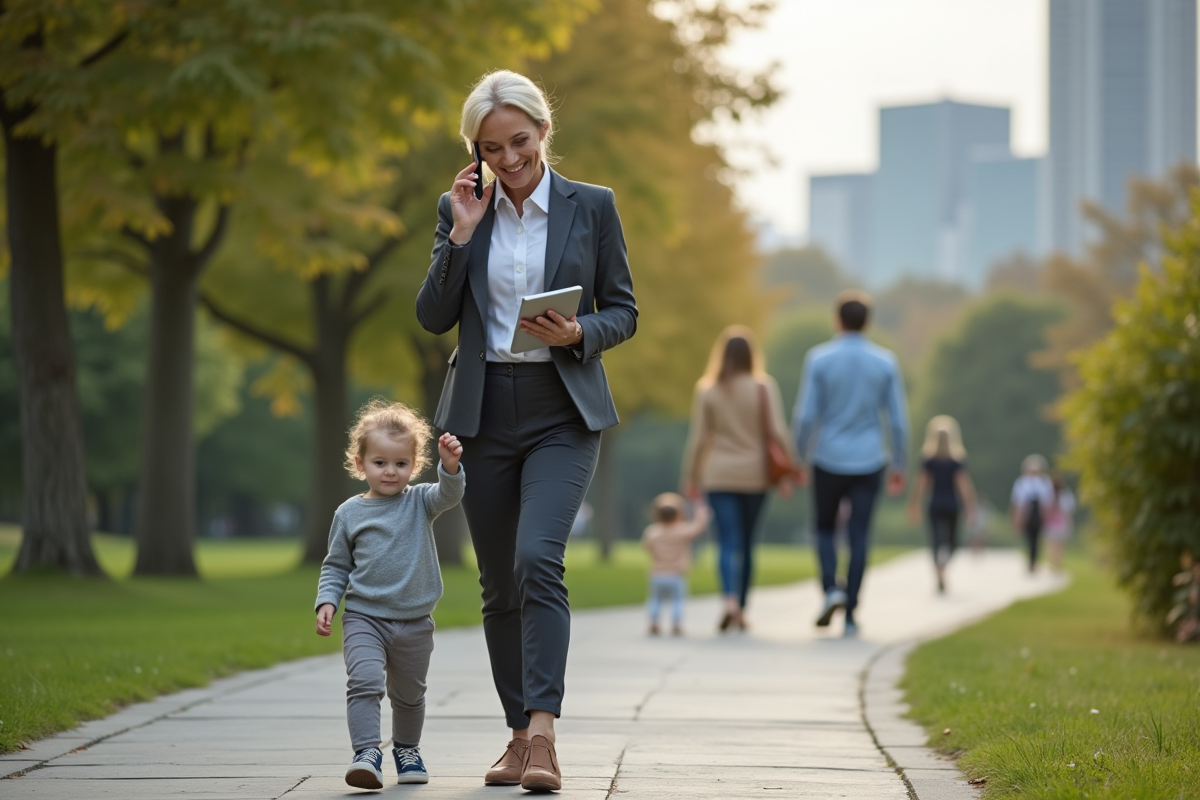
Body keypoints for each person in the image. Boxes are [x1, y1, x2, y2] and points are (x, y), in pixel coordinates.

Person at [414, 70, 637, 792]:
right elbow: (433, 315)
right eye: (491, 148)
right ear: (474, 150)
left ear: (544, 130)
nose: (509, 160)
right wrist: (461, 233)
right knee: (498, 583)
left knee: (538, 558)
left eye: (519, 141)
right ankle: (515, 738)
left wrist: (579, 331)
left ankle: (543, 736)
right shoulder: (461, 209)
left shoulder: (591, 207)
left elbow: (625, 310)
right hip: (482, 411)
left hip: (560, 409)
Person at [313, 399, 465, 790]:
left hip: (415, 621)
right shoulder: (349, 513)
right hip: (365, 617)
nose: (390, 471)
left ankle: (407, 750)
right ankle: (366, 753)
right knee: (364, 682)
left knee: (410, 695)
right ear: (360, 463)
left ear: (413, 466)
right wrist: (327, 601)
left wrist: (450, 468)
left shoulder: (419, 501)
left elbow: (449, 496)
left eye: (400, 464)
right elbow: (335, 566)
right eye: (380, 462)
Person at [793, 291, 909, 638]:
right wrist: (900, 462)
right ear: (868, 322)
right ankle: (852, 611)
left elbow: (806, 414)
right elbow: (899, 420)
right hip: (869, 458)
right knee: (859, 534)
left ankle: (832, 589)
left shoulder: (819, 359)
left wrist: (798, 456)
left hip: (828, 456)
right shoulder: (885, 362)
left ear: (838, 320)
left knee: (825, 528)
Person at [681, 325, 796, 633]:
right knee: (747, 543)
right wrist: (792, 469)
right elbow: (778, 431)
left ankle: (729, 600)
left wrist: (690, 478)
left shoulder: (708, 389)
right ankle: (742, 606)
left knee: (727, 542)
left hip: (718, 475)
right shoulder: (763, 386)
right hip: (755, 476)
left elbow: (699, 439)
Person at [906, 415, 977, 594]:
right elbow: (963, 486)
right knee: (952, 543)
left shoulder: (930, 460)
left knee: (937, 541)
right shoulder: (956, 461)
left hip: (935, 504)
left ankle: (939, 572)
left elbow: (921, 484)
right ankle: (942, 569)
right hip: (952, 505)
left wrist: (914, 504)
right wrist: (970, 507)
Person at [641, 493, 712, 636]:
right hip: (676, 574)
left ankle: (654, 622)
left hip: (657, 574)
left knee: (655, 599)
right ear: (678, 515)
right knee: (678, 600)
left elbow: (646, 547)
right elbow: (697, 528)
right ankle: (676, 624)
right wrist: (702, 514)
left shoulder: (653, 531)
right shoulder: (681, 530)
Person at [1010, 454, 1055, 573]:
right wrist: (1017, 519)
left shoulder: (1044, 483)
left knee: (1037, 539)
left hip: (1039, 514)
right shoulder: (1022, 483)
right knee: (1029, 539)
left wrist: (1046, 516)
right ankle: (1031, 560)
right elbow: (1018, 503)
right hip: (1027, 514)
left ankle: (1034, 561)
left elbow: (1047, 502)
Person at [1044, 473, 1076, 572]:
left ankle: (1057, 563)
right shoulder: (1048, 495)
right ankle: (1054, 563)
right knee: (1053, 544)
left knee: (1059, 544)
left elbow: (1068, 510)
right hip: (1052, 522)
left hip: (1061, 522)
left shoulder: (1065, 495)